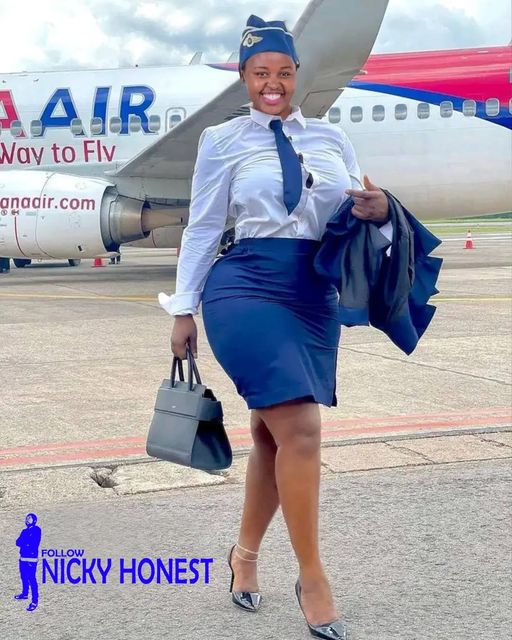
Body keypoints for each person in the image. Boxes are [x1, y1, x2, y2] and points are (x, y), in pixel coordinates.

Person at [159, 15, 391, 640]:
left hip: (311, 293)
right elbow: (204, 226)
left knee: (272, 434)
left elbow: (354, 212)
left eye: (284, 72)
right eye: (261, 72)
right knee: (302, 429)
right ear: (244, 77)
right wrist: (183, 307)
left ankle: (244, 556)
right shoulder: (222, 140)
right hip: (245, 286)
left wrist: (379, 210)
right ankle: (312, 578)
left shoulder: (331, 139)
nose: (273, 83)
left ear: (296, 77)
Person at [14, 513, 41, 612]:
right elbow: (17, 542)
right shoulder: (24, 531)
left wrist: (24, 543)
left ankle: (34, 601)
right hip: (23, 558)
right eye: (26, 518)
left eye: (29, 518)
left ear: (34, 520)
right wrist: (26, 543)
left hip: (31, 559)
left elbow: (33, 543)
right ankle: (25, 594)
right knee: (24, 577)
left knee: (31, 579)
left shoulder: (37, 530)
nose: (27, 520)